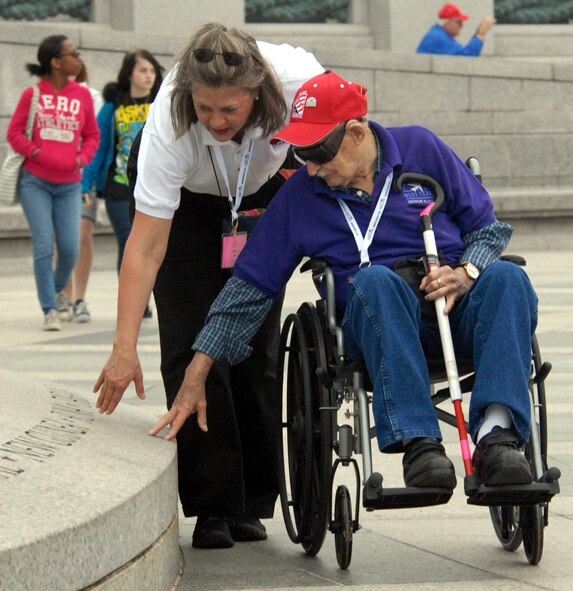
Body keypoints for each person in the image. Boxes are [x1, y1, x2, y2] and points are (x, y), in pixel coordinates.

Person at [144, 70, 536, 497]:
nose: (309, 167)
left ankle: (497, 438)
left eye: (318, 152)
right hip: (375, 319)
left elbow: (488, 230)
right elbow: (249, 289)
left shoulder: (421, 147)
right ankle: (420, 443)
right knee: (375, 281)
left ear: (354, 133)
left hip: (452, 304)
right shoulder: (300, 198)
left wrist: (465, 274)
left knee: (507, 277)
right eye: (300, 154)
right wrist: (197, 371)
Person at [92, 23, 323, 549]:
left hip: (260, 194)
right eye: (205, 110)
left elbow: (352, 135)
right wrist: (123, 348)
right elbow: (146, 247)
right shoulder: (167, 126)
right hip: (189, 210)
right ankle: (212, 503)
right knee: (190, 338)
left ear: (259, 94)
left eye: (230, 111)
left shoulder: (295, 78)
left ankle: (253, 500)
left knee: (254, 345)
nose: (217, 122)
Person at [7, 35, 99, 331]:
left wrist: (80, 159)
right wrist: (35, 151)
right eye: (73, 53)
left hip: (70, 183)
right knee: (45, 246)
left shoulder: (82, 95)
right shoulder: (32, 94)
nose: (79, 57)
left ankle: (58, 290)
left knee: (71, 247)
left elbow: (92, 136)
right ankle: (49, 307)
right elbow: (14, 133)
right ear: (56, 62)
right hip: (35, 183)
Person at [81, 49, 164, 319]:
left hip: (156, 186)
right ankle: (135, 303)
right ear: (129, 73)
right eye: (143, 70)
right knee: (129, 243)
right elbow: (100, 147)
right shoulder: (113, 106)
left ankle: (151, 296)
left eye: (152, 70)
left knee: (158, 245)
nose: (148, 75)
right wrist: (86, 185)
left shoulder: (161, 102)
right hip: (120, 186)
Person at [64, 61, 103, 322]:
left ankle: (79, 299)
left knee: (82, 233)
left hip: (82, 174)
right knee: (59, 240)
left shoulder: (92, 97)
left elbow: (96, 138)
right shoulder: (41, 95)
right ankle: (63, 298)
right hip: (50, 175)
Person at [417, 3, 494, 56]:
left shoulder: (439, 34)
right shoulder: (438, 37)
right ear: (448, 22)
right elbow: (466, 57)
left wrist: (478, 32)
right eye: (459, 22)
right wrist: (481, 32)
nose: (462, 26)